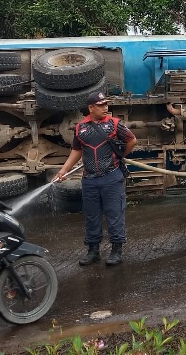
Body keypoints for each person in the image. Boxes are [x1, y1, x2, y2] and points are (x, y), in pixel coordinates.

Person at [54, 90, 137, 266]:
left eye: (106, 104)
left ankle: (116, 250)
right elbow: (76, 151)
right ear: (91, 108)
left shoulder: (115, 124)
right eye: (100, 105)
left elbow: (131, 140)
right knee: (91, 216)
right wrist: (63, 170)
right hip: (90, 179)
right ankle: (93, 251)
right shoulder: (80, 128)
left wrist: (120, 156)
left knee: (114, 214)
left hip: (111, 177)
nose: (105, 107)